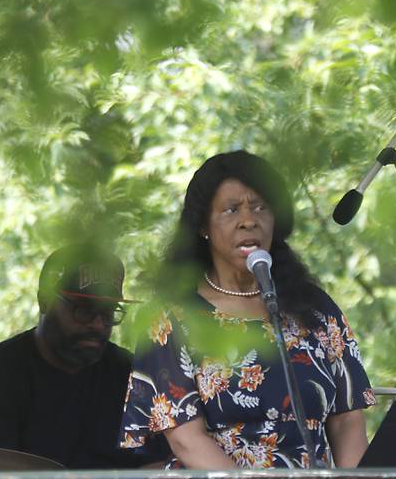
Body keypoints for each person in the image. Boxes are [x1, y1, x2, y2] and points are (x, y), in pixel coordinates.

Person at [119, 150, 377, 469]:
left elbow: (347, 422)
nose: (248, 221)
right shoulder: (171, 317)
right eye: (231, 210)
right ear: (203, 226)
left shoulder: (316, 309)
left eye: (260, 207)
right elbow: (186, 440)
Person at [0, 243, 165, 469]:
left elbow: (159, 464)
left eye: (109, 312)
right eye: (85, 309)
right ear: (44, 301)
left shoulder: (131, 376)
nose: (99, 324)